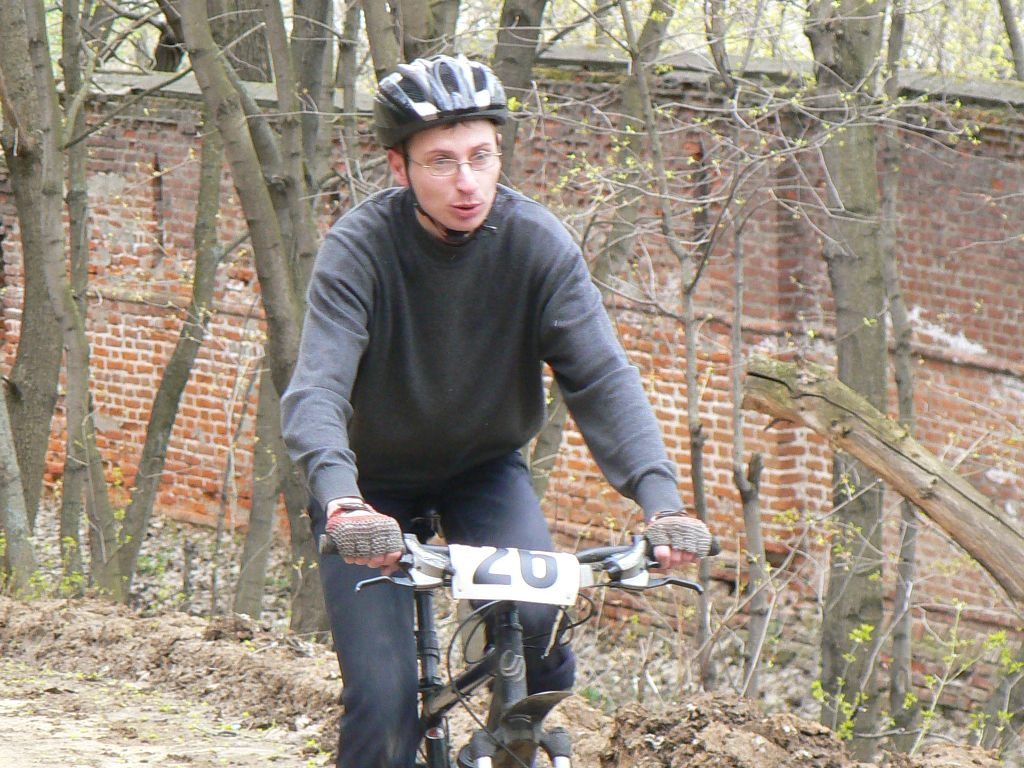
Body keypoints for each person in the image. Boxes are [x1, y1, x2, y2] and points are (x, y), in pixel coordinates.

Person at [280, 53, 713, 768]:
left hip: (481, 471)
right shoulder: (358, 249)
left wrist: (661, 500)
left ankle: (515, 736)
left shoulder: (536, 244)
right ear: (399, 168)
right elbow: (317, 387)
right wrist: (341, 501)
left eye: (482, 157)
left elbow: (603, 377)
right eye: (442, 161)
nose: (467, 182)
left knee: (542, 628)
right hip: (368, 493)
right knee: (385, 705)